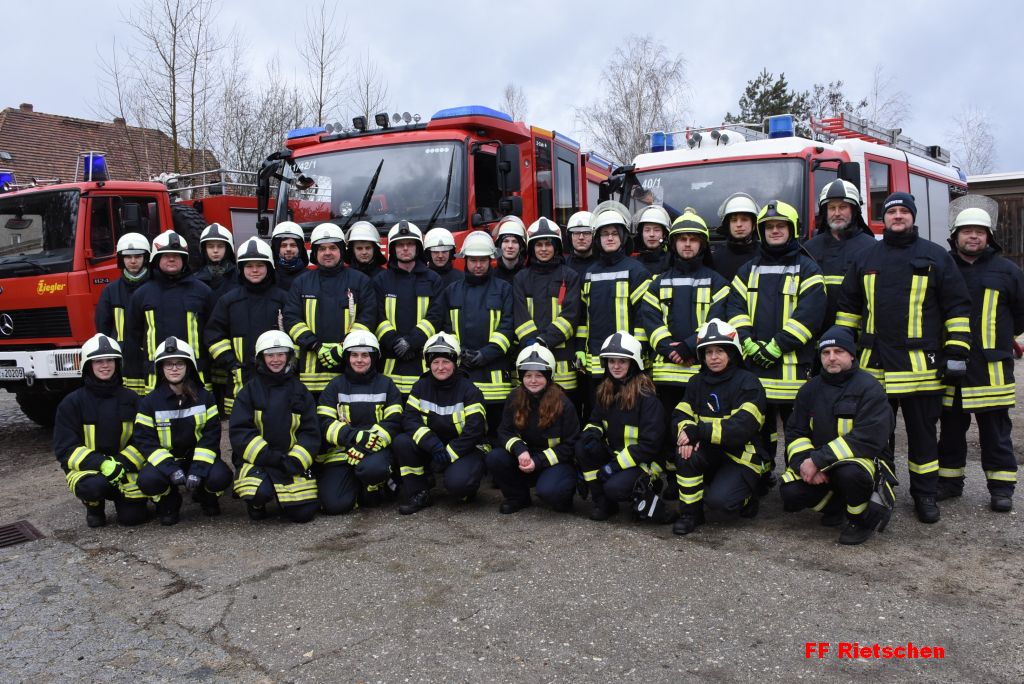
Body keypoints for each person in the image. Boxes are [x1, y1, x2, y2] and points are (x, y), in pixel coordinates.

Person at [836, 192, 972, 523]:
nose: (898, 216)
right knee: (876, 436)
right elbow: (849, 309)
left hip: (921, 368)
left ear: (913, 217)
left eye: (903, 212)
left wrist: (956, 350)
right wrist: (841, 350)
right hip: (874, 365)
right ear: (885, 218)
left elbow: (956, 306)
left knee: (923, 437)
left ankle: (925, 496)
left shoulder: (936, 256)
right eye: (892, 211)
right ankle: (882, 491)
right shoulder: (867, 257)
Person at [726, 200, 826, 492]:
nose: (775, 231)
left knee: (797, 430)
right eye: (769, 227)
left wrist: (775, 347)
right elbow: (735, 308)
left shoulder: (808, 269)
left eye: (781, 226)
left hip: (794, 371)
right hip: (755, 367)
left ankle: (796, 479)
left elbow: (810, 315)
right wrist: (746, 341)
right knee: (758, 429)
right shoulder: (747, 270)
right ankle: (760, 476)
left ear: (791, 230)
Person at [937, 207, 1024, 512]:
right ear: (955, 236)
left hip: (992, 368)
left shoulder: (1008, 271)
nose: (973, 236)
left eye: (980, 231)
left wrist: (999, 339)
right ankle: (949, 482)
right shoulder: (943, 267)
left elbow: (1020, 315)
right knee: (949, 429)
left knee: (995, 432)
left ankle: (1001, 489)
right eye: (966, 231)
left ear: (989, 237)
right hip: (952, 365)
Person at [779, 327, 895, 545]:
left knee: (849, 474)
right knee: (790, 493)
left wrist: (818, 460)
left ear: (851, 355)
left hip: (862, 462)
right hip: (821, 464)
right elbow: (795, 432)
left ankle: (859, 519)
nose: (831, 358)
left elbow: (868, 438)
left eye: (838, 351)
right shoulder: (809, 389)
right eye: (825, 352)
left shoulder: (870, 388)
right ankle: (838, 506)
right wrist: (804, 462)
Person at [671, 319, 767, 535]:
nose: (713, 357)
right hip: (708, 450)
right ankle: (691, 514)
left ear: (732, 353)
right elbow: (680, 414)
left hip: (740, 456)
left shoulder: (748, 382)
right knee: (684, 452)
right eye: (708, 352)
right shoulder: (696, 382)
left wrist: (699, 431)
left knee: (721, 503)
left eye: (720, 351)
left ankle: (748, 495)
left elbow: (742, 427)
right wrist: (687, 433)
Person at [53, 334, 150, 528]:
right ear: (88, 365)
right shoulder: (72, 403)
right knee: (93, 487)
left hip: (124, 468)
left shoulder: (132, 399)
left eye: (109, 360)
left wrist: (119, 463)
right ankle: (94, 506)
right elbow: (65, 448)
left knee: (133, 519)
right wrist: (103, 464)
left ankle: (125, 501)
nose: (104, 365)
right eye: (98, 361)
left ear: (117, 364)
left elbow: (144, 439)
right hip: (90, 470)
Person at [642, 209, 730, 415]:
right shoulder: (657, 283)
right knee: (667, 429)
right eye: (682, 239)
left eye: (693, 239)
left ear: (702, 244)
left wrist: (689, 347)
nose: (688, 244)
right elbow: (651, 322)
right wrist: (671, 349)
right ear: (673, 244)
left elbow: (716, 321)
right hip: (665, 375)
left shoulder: (718, 283)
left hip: (702, 371)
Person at [134, 337, 231, 525]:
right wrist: (170, 470)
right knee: (148, 480)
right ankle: (169, 501)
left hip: (197, 460)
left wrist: (198, 470)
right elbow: (145, 441)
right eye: (168, 364)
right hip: (166, 463)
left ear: (189, 367)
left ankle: (206, 496)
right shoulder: (149, 402)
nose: (174, 368)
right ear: (161, 369)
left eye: (179, 363)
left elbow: (210, 437)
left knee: (221, 476)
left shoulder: (205, 398)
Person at [392, 332, 488, 515]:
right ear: (428, 364)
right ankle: (419, 492)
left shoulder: (470, 390)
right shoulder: (421, 386)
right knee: (402, 442)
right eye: (435, 362)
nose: (440, 367)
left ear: (456, 362)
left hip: (463, 449)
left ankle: (467, 489)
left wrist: (449, 454)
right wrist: (433, 445)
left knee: (458, 484)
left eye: (446, 362)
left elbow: (474, 431)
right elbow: (410, 419)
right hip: (433, 447)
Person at [230, 329, 320, 523]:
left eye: (281, 354)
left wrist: (296, 460)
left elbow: (311, 431)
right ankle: (256, 504)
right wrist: (269, 456)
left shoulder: (300, 390)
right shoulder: (249, 391)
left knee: (304, 514)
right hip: (258, 460)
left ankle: (283, 497)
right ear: (261, 358)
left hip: (290, 461)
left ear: (289, 356)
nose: (276, 360)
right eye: (270, 355)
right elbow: (240, 432)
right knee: (258, 493)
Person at [576, 331, 665, 521]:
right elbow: (595, 420)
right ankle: (603, 503)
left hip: (643, 462)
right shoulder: (606, 390)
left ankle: (650, 492)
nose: (616, 366)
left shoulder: (647, 397)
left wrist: (614, 466)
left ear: (633, 363)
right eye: (611, 361)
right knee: (582, 447)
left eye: (622, 361)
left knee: (614, 488)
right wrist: (591, 435)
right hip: (615, 456)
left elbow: (650, 445)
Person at [283, 222, 377, 395]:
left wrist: (343, 347)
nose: (327, 253)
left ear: (341, 250)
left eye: (333, 247)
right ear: (315, 253)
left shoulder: (360, 281)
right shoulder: (301, 283)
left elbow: (368, 317)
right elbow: (291, 318)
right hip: (310, 376)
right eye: (322, 249)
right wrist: (315, 345)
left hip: (349, 370)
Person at [486, 343, 580, 513]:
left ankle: (563, 495)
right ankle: (518, 498)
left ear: (549, 376)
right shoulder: (515, 397)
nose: (533, 380)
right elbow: (504, 431)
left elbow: (571, 445)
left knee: (550, 492)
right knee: (495, 457)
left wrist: (538, 461)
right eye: (528, 375)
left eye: (539, 375)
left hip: (555, 463)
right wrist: (519, 449)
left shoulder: (563, 404)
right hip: (525, 459)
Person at [316, 330, 403, 513]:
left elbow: (393, 422)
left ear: (373, 357)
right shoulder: (335, 385)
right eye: (354, 355)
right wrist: (356, 437)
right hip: (342, 453)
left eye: (365, 355)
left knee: (373, 471)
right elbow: (325, 423)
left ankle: (374, 486)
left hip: (375, 452)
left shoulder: (386, 385)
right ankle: (355, 488)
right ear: (347, 358)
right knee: (335, 505)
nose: (359, 360)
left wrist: (364, 447)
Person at [204, 237, 288, 415]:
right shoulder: (228, 301)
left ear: (269, 267)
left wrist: (288, 363)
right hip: (239, 380)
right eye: (249, 266)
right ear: (241, 269)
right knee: (241, 427)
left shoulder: (283, 299)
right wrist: (232, 363)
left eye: (260, 265)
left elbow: (293, 335)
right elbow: (213, 335)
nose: (255, 270)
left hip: (279, 376)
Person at [442, 230, 514, 434]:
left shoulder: (504, 289)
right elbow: (447, 328)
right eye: (473, 260)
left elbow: (507, 327)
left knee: (495, 430)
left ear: (490, 260)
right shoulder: (452, 290)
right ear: (465, 260)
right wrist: (459, 352)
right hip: (463, 371)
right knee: (465, 427)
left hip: (496, 377)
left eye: (483, 260)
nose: (478, 265)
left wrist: (486, 354)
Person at [125, 231, 215, 393]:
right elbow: (133, 336)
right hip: (155, 379)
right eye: (166, 255)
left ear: (185, 259)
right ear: (156, 259)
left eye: (176, 255)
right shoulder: (141, 294)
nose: (171, 259)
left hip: (196, 377)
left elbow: (213, 332)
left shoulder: (203, 292)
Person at [578, 203, 651, 402]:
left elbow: (643, 317)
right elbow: (584, 316)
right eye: (604, 234)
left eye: (614, 233)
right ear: (597, 239)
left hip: (627, 358)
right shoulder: (590, 273)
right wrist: (579, 348)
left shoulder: (637, 271)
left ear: (623, 237)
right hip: (595, 359)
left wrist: (639, 351)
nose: (610, 238)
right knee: (598, 411)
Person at [513, 216, 583, 398]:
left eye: (548, 244)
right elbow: (520, 315)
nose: (544, 249)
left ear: (557, 247)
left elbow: (571, 315)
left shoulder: (570, 277)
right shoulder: (521, 278)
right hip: (530, 356)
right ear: (531, 248)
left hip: (562, 360)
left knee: (564, 409)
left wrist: (543, 341)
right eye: (539, 245)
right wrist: (531, 343)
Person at [373, 220, 445, 396]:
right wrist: (394, 342)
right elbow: (377, 315)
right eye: (400, 245)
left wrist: (412, 342)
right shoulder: (381, 280)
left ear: (418, 248)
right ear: (393, 249)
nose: (405, 248)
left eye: (410, 244)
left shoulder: (433, 279)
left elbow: (436, 315)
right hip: (390, 359)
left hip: (421, 358)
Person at [803, 180, 876, 331]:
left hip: (856, 341)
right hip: (815, 337)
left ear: (854, 210)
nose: (837, 213)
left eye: (843, 207)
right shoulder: (810, 248)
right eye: (831, 208)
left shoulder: (871, 247)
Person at [95, 232, 151, 395]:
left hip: (150, 357)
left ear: (145, 258)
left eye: (138, 256)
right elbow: (103, 328)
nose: (133, 261)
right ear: (121, 259)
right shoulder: (110, 292)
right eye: (128, 257)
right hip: (123, 359)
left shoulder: (155, 288)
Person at [711, 193, 759, 283]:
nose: (739, 224)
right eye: (734, 220)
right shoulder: (716, 258)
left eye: (744, 219)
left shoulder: (765, 255)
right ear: (728, 225)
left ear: (754, 225)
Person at [194, 222, 238, 304]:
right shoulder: (195, 280)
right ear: (204, 250)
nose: (215, 250)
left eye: (220, 246)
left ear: (228, 249)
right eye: (210, 246)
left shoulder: (240, 277)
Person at [270, 221, 309, 293]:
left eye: (293, 245)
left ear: (300, 248)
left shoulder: (310, 277)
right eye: (283, 245)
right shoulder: (269, 276)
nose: (288, 249)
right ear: (276, 249)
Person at [633, 204, 672, 275]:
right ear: (641, 234)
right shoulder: (632, 262)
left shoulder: (672, 261)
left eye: (656, 230)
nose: (651, 234)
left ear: (664, 234)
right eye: (647, 230)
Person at [493, 216, 527, 283]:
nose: (510, 246)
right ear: (499, 245)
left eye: (515, 242)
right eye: (506, 241)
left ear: (521, 247)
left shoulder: (528, 277)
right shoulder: (491, 277)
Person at [565, 210, 596, 277]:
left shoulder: (603, 264)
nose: (581, 237)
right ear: (570, 237)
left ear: (594, 236)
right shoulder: (563, 264)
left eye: (586, 233)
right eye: (576, 233)